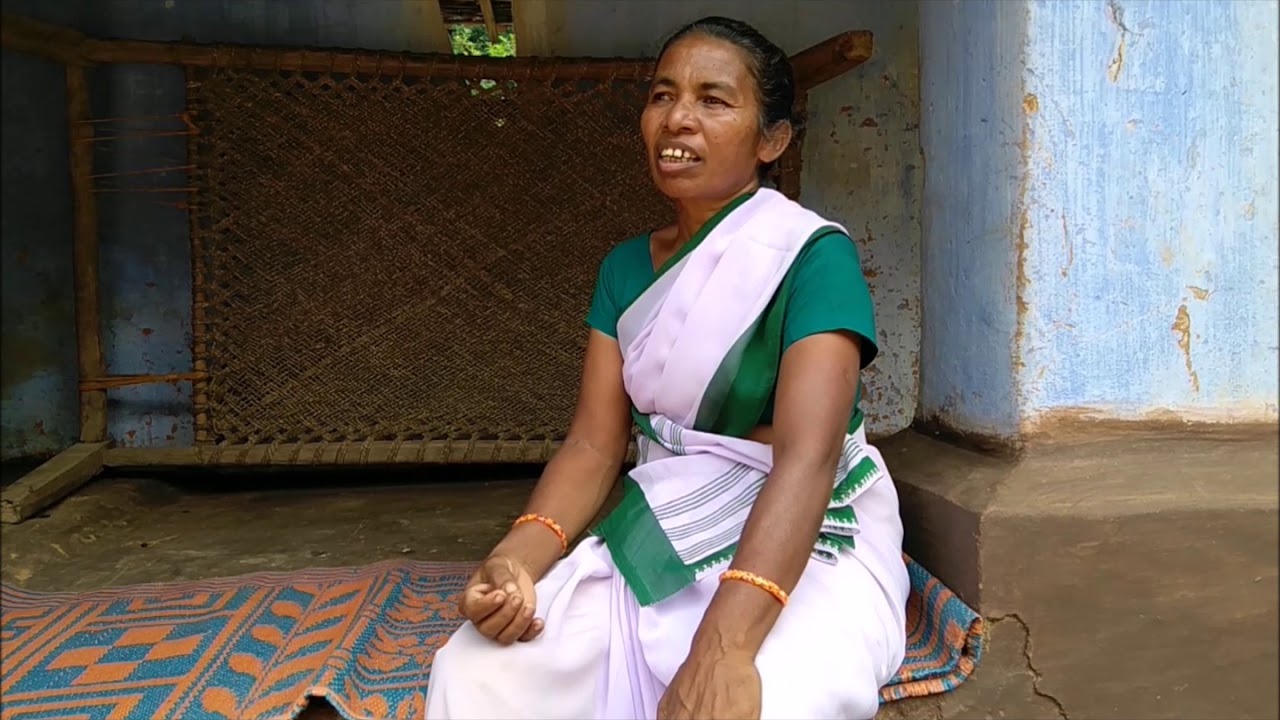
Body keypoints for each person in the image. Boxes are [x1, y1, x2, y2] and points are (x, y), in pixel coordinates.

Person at [424, 16, 908, 720]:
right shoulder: (623, 269)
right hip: (672, 522)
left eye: (714, 100)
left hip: (809, 534)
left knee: (769, 702)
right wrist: (515, 560)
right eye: (662, 96)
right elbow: (594, 445)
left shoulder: (810, 257)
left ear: (771, 139)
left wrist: (725, 648)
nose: (678, 118)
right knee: (481, 672)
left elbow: (809, 457)